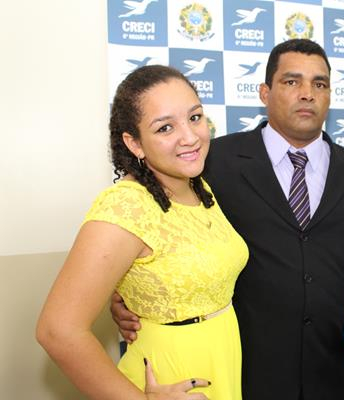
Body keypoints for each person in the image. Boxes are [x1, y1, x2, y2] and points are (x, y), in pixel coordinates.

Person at [113, 39, 344, 399]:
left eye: (320, 84)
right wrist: (125, 294)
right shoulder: (209, 162)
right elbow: (154, 232)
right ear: (265, 92)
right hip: (241, 373)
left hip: (332, 374)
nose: (307, 93)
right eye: (291, 81)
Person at [37, 65, 249, 400]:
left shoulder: (198, 187)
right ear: (134, 143)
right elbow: (57, 331)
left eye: (194, 117)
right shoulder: (126, 206)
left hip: (219, 361)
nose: (190, 136)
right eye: (165, 127)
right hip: (171, 378)